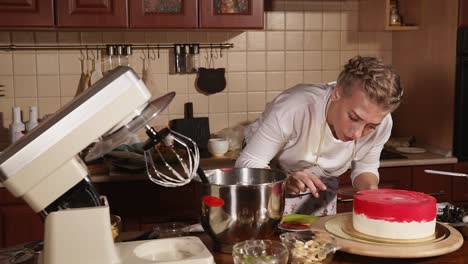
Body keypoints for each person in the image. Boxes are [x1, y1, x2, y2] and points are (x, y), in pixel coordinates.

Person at [235, 56, 403, 216]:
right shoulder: (295, 107)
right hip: (265, 175)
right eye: (353, 118)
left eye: (371, 126)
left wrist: (371, 193)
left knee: (316, 240)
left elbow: (365, 168)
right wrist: (284, 181)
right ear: (337, 93)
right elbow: (249, 163)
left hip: (321, 182)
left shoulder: (383, 122)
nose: (357, 133)